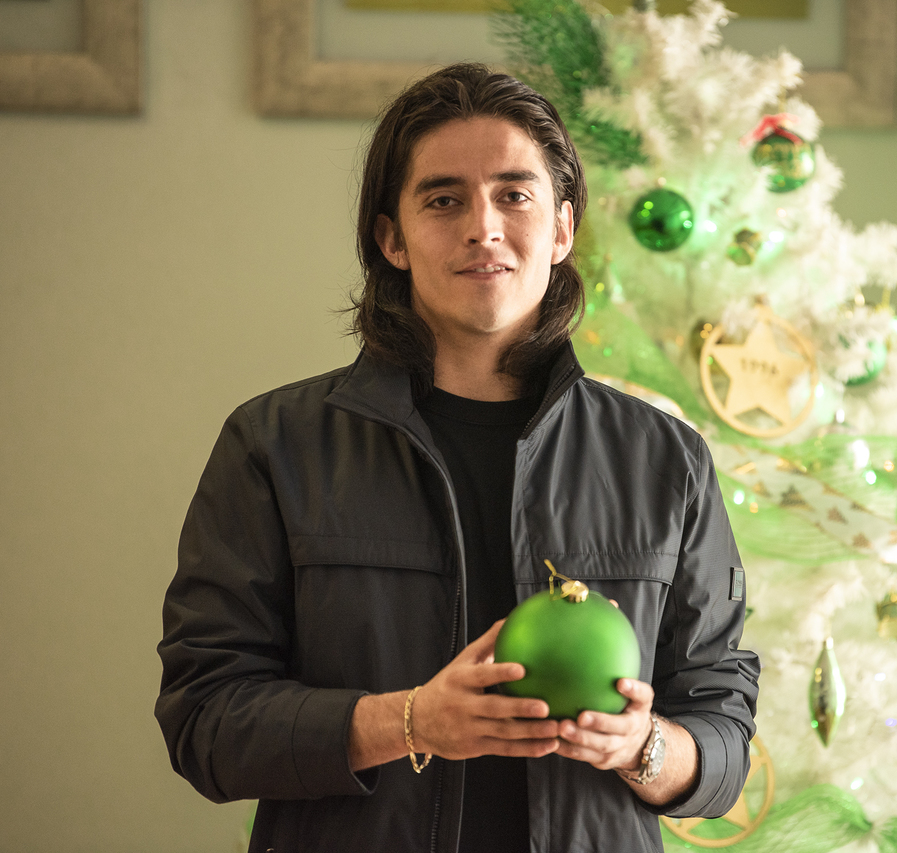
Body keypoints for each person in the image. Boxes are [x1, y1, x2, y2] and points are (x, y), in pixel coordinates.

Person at [155, 63, 759, 852]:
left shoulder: (666, 460)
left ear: (563, 230)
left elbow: (724, 738)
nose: (483, 227)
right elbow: (204, 721)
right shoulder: (274, 445)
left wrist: (641, 745)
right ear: (392, 239)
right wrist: (409, 721)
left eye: (514, 195)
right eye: (444, 200)